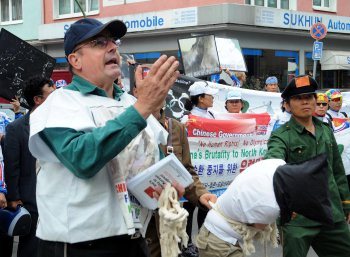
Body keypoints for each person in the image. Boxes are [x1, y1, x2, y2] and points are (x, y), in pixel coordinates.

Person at [28, 18, 179, 257]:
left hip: (133, 239)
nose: (112, 48)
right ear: (75, 60)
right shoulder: (58, 103)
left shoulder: (129, 102)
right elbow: (82, 159)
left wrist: (168, 185)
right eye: (99, 43)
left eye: (113, 42)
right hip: (82, 246)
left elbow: (153, 161)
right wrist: (142, 108)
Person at [264, 75, 350, 257]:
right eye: (297, 98)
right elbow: (272, 168)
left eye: (309, 97)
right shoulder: (281, 137)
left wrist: (346, 203)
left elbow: (337, 169)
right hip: (298, 219)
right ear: (287, 105)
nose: (305, 102)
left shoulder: (326, 130)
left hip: (331, 213)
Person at [136, 103, 217, 257]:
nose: (158, 91)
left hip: (170, 219)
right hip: (140, 221)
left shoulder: (176, 128)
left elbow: (186, 170)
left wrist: (201, 194)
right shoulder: (129, 126)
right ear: (136, 91)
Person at [3, 76, 55, 257]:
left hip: (57, 198)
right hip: (30, 200)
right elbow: (11, 166)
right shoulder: (16, 129)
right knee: (32, 248)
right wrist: (14, 198)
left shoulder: (62, 125)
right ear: (38, 100)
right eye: (52, 94)